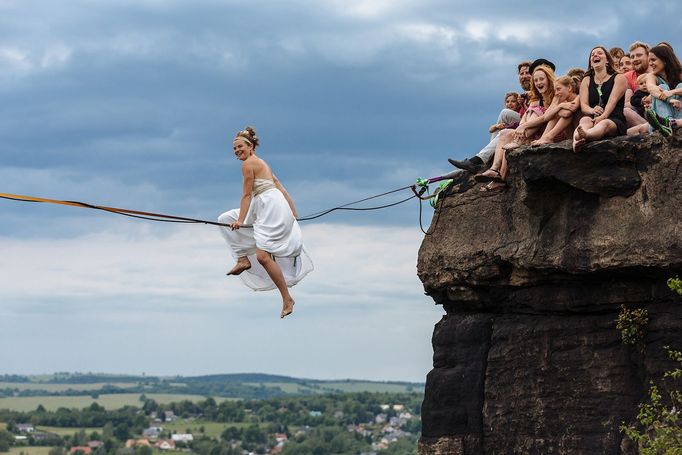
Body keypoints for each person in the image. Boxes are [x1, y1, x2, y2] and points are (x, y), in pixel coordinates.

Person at [217, 126, 313, 318]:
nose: (237, 151)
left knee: (262, 256)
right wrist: (293, 211)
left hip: (269, 206)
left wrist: (240, 220)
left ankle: (287, 298)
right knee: (223, 219)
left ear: (250, 146)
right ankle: (242, 258)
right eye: (234, 149)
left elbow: (246, 195)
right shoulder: (262, 163)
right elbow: (280, 187)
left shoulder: (249, 164)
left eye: (240, 147)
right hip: (265, 205)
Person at [473, 61, 557, 191]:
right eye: (536, 80)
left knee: (532, 113)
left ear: (549, 79)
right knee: (505, 133)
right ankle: (496, 172)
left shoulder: (555, 95)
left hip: (547, 132)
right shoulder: (536, 98)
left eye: (542, 79)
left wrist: (524, 126)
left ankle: (515, 144)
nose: (539, 83)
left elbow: (546, 117)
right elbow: (525, 117)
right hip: (532, 132)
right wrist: (521, 126)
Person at [448, 61, 532, 173]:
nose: (524, 76)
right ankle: (487, 156)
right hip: (525, 122)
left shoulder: (536, 91)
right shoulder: (525, 94)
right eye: (522, 74)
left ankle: (481, 159)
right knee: (501, 127)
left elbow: (535, 112)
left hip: (532, 124)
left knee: (504, 113)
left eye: (527, 73)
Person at [573, 46, 627, 151]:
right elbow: (584, 105)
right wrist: (592, 110)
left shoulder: (619, 77)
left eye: (599, 53)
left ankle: (586, 135)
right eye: (592, 55)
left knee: (604, 123)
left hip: (613, 119)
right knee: (584, 119)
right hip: (593, 118)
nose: (595, 55)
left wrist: (604, 116)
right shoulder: (586, 80)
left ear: (607, 60)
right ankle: (576, 142)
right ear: (591, 63)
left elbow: (613, 100)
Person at [643, 44, 682, 136]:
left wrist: (672, 92)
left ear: (664, 60)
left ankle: (673, 123)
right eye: (649, 61)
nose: (650, 64)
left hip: (678, 113)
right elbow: (651, 89)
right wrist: (669, 99)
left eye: (653, 60)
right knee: (662, 88)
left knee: (680, 85)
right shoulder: (651, 75)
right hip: (661, 118)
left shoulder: (679, 72)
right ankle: (666, 122)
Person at [623, 41, 651, 129]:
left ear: (648, 56)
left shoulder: (657, 72)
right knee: (626, 111)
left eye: (639, 55)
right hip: (640, 114)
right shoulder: (627, 77)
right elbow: (627, 104)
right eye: (632, 57)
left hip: (661, 111)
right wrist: (642, 101)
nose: (635, 59)